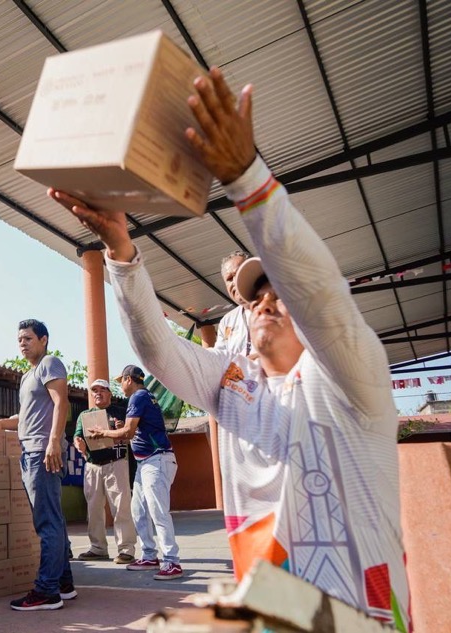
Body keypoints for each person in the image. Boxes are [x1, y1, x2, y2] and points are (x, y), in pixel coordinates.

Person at [49, 68, 410, 629]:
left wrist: (247, 179)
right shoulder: (232, 386)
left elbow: (324, 299)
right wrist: (121, 252)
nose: (266, 301)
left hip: (363, 615)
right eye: (255, 295)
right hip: (273, 604)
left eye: (280, 291)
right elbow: (158, 351)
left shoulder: (352, 380)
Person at [0, 319, 75, 611]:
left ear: (44, 339)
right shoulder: (27, 376)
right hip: (31, 451)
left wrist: (53, 442)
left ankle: (47, 591)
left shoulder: (50, 363)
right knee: (54, 521)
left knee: (46, 523)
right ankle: (63, 582)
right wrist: (0, 423)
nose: (22, 344)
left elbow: (62, 404)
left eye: (28, 338)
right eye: (19, 339)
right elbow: (25, 417)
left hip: (41, 453)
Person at [86, 365, 182, 580]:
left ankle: (172, 561)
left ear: (129, 379)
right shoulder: (143, 397)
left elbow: (128, 432)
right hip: (146, 462)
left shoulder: (138, 397)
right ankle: (149, 555)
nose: (121, 384)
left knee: (158, 512)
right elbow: (133, 429)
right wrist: (118, 429)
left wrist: (103, 432)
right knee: (138, 510)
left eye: (121, 380)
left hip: (157, 460)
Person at [73, 378, 136, 565]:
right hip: (92, 465)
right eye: (94, 390)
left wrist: (122, 429)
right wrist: (79, 444)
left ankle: (126, 549)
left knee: (121, 507)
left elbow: (130, 434)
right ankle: (98, 548)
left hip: (116, 462)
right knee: (93, 509)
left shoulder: (120, 411)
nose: (98, 393)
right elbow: (77, 436)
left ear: (109, 393)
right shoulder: (85, 415)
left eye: (102, 389)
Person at [214, 250, 255, 358]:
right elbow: (221, 359)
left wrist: (250, 361)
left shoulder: (278, 306)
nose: (234, 282)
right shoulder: (227, 321)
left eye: (238, 274)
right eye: (229, 279)